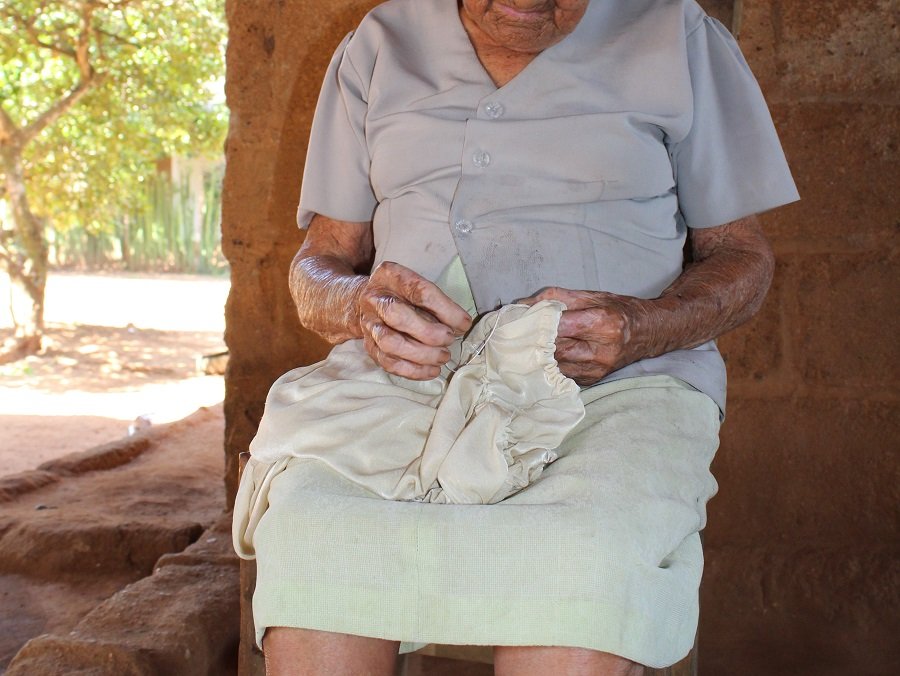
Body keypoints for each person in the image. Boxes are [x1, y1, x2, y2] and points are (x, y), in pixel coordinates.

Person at [232, 0, 799, 674]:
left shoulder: (675, 36)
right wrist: (358, 306)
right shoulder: (382, 44)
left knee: (582, 553)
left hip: (617, 387)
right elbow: (317, 261)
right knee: (312, 530)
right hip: (405, 384)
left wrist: (643, 327)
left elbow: (744, 257)